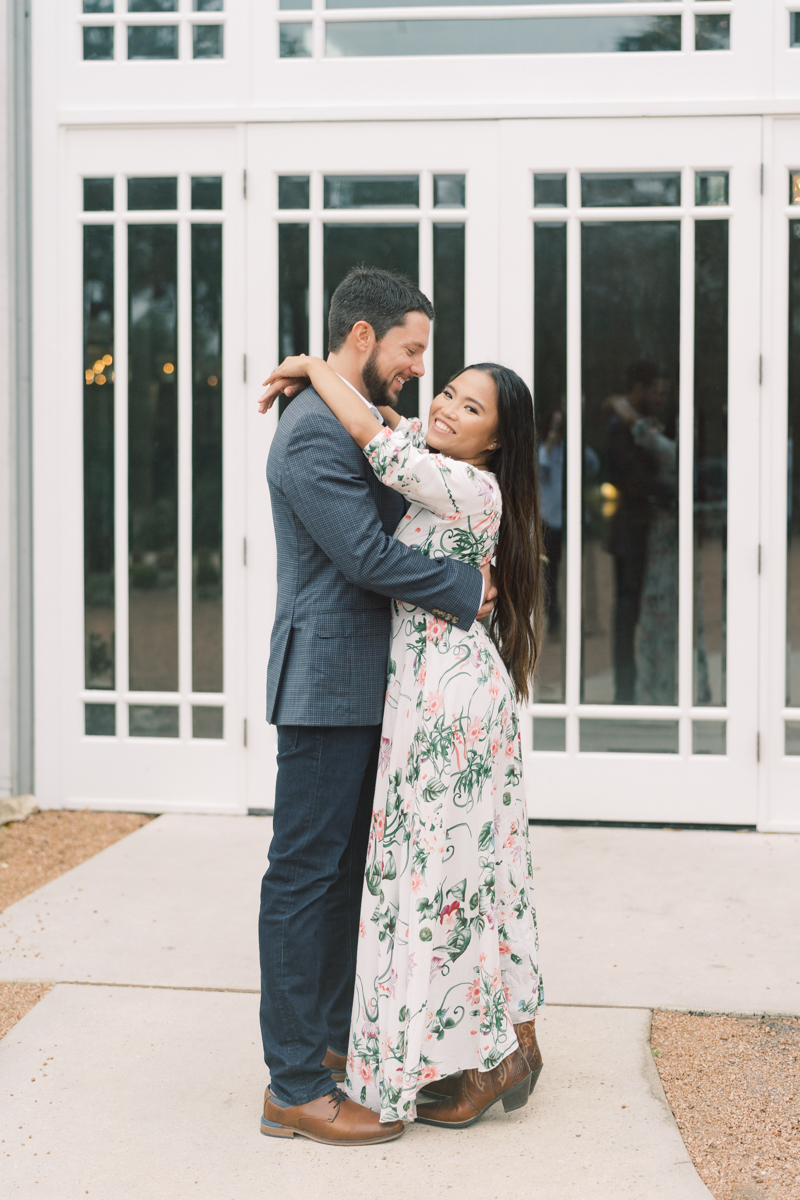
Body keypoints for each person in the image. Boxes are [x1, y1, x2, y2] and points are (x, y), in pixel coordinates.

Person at [259, 350, 546, 1131]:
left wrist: (315, 369)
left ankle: (490, 1054)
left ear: (497, 441)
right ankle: (500, 1043)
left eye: (470, 408)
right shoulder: (441, 459)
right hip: (430, 688)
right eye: (446, 391)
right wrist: (391, 413)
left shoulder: (467, 483)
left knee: (437, 885)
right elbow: (395, 427)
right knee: (461, 875)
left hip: (447, 696)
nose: (445, 406)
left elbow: (378, 439)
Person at [606, 361, 674, 703]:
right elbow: (631, 478)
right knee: (628, 612)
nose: (662, 397)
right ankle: (626, 691)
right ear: (640, 388)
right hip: (632, 532)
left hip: (648, 532)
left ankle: (643, 687)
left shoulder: (640, 423)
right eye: (657, 390)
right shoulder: (619, 426)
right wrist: (670, 491)